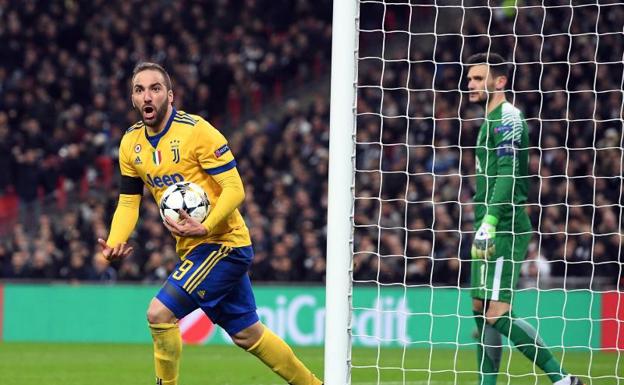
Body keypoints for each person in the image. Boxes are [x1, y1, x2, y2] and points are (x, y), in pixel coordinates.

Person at [98, 62, 322, 385]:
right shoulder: (130, 145)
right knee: (248, 334)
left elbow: (235, 188)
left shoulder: (196, 132)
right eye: (139, 90)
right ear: (133, 99)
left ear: (170, 96)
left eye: (155, 88)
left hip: (223, 244)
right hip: (194, 250)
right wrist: (116, 239)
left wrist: (207, 225)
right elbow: (129, 201)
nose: (147, 95)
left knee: (159, 314)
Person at [465, 53, 583, 385]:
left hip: (504, 225)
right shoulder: (490, 119)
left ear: (500, 81)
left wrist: (490, 220)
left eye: (477, 78)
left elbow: (507, 175)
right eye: (469, 78)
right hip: (487, 223)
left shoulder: (509, 119)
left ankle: (563, 379)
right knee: (480, 305)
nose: (469, 84)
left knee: (497, 311)